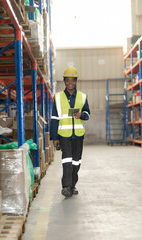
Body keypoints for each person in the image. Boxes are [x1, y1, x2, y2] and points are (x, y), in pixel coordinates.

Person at [50, 66, 90, 198]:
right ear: (64, 81)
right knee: (66, 161)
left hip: (78, 136)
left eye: (73, 80)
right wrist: (54, 137)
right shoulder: (58, 97)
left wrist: (81, 115)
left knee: (76, 162)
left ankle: (73, 185)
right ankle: (66, 187)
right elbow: (54, 118)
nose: (70, 83)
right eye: (68, 81)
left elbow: (87, 114)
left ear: (76, 81)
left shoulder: (82, 97)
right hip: (64, 136)